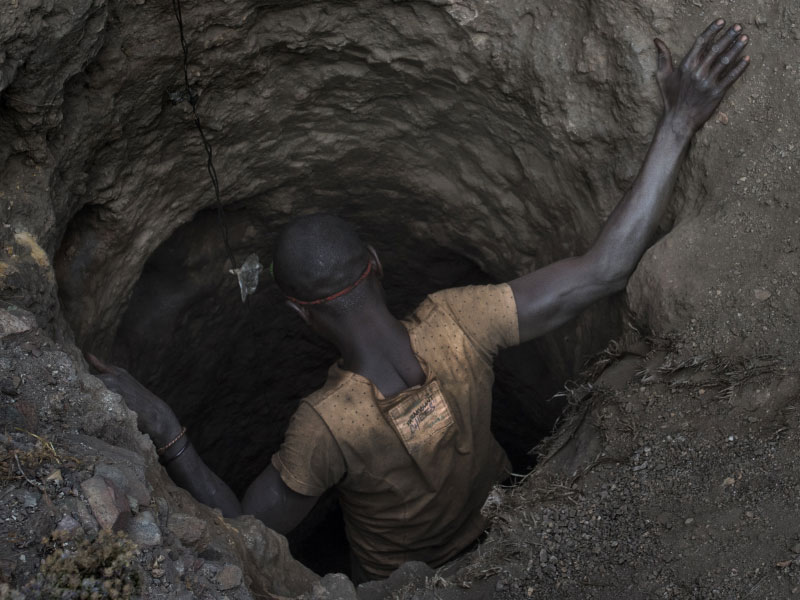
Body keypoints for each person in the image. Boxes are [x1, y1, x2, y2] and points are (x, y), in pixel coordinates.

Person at [88, 20, 750, 581]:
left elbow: (241, 530)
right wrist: (679, 120)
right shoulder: (461, 320)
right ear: (377, 263)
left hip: (399, 583)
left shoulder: (323, 427)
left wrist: (166, 428)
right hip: (505, 529)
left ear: (298, 312)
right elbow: (605, 269)